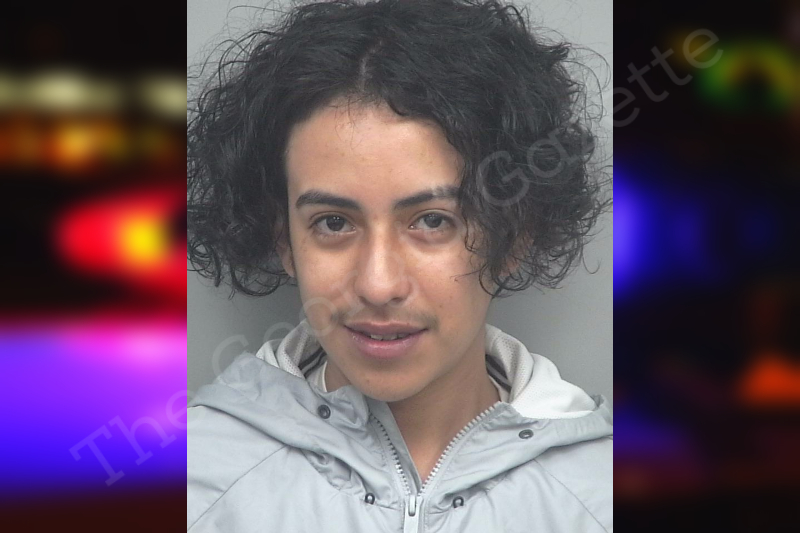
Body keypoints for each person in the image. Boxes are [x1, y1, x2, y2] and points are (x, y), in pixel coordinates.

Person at [187, 0, 612, 531]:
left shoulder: (601, 495)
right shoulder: (194, 481)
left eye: (432, 221)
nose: (378, 284)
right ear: (284, 240)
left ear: (513, 238)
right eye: (333, 223)